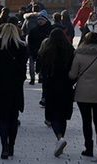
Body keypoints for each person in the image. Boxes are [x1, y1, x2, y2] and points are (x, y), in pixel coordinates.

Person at [69, 32, 97, 159]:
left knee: (86, 121)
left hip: (83, 93)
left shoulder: (78, 55)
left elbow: (72, 74)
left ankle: (88, 147)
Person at [0, 23, 27, 159]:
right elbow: (23, 69)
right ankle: (11, 146)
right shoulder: (21, 47)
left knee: (2, 119)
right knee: (13, 118)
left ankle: (4, 145)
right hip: (15, 87)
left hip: (0, 87)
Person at [37, 28, 76, 157]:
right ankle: (61, 138)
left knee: (53, 115)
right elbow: (74, 70)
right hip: (66, 86)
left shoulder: (47, 51)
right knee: (63, 115)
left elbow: (41, 68)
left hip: (51, 86)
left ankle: (59, 138)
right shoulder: (70, 51)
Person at [27, 13, 52, 85]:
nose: (40, 21)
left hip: (45, 51)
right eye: (39, 19)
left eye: (42, 19)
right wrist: (30, 50)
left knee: (42, 65)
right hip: (34, 50)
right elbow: (30, 40)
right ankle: (32, 78)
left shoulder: (49, 29)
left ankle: (41, 77)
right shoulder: (34, 30)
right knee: (31, 66)